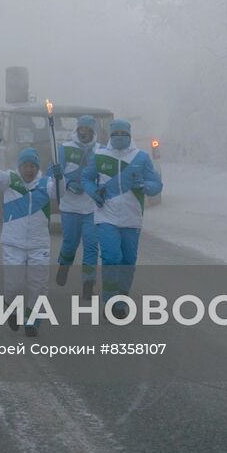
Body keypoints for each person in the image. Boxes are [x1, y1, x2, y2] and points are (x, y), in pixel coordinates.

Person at [86, 119, 162, 316]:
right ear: (110, 136)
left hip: (132, 216)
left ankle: (121, 299)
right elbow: (86, 177)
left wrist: (145, 186)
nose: (119, 137)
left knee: (128, 260)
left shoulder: (141, 158)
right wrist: (94, 192)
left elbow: (157, 184)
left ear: (129, 135)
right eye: (116, 134)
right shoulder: (100, 155)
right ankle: (110, 302)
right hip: (106, 215)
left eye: (123, 134)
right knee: (111, 258)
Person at [0, 132, 52, 336]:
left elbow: (62, 193)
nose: (28, 170)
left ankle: (32, 321)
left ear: (37, 168)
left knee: (38, 285)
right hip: (13, 243)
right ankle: (10, 305)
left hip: (39, 244)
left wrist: (60, 177)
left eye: (32, 166)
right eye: (25, 166)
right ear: (19, 166)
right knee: (14, 285)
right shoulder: (10, 180)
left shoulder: (46, 184)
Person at [49, 114, 100, 298]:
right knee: (70, 244)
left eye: (87, 130)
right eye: (81, 130)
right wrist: (68, 183)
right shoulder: (65, 149)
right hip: (70, 206)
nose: (84, 133)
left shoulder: (100, 150)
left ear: (93, 131)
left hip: (92, 207)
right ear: (77, 130)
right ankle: (64, 265)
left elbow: (104, 176)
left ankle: (88, 284)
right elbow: (53, 172)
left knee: (92, 245)